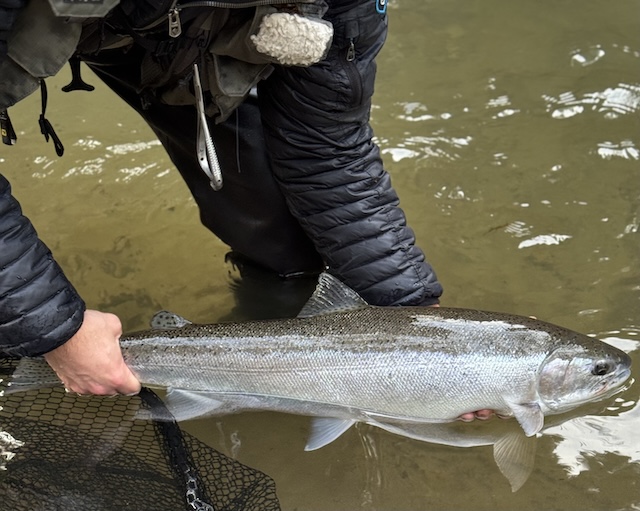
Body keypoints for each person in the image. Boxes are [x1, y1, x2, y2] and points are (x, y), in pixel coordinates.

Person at [0, 0, 453, 404]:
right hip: (58, 21)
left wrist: (407, 309)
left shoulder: (340, 6)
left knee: (293, 243)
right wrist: (55, 330)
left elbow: (329, 151)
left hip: (192, 46)